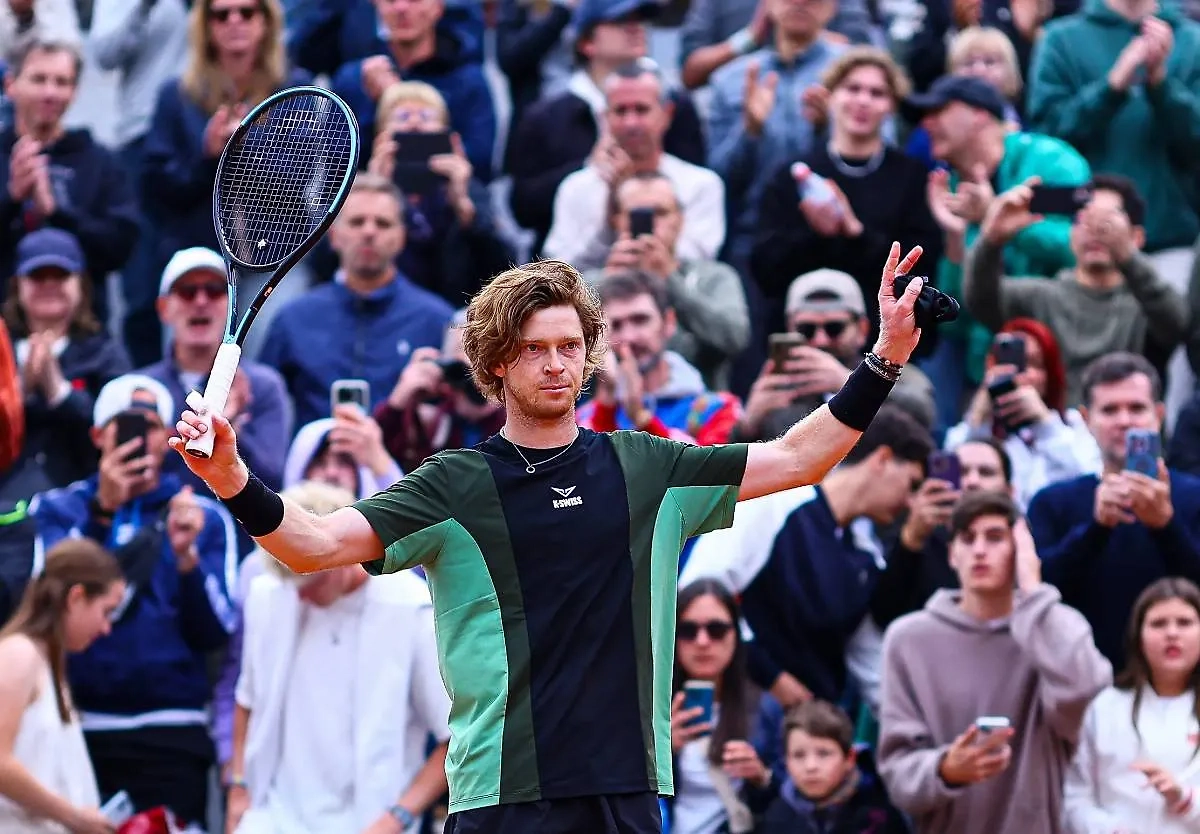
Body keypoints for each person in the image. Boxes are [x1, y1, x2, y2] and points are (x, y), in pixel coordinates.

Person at [170, 243, 928, 834]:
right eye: (536, 347)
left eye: (571, 345)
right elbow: (309, 544)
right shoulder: (454, 484)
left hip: (626, 787)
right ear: (498, 362)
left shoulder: (648, 467)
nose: (558, 363)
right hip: (503, 795)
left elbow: (800, 458)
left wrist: (884, 358)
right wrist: (234, 476)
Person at [877, 491, 1111, 834]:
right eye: (968, 539)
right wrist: (945, 769)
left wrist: (1033, 588)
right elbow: (897, 774)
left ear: (1020, 550)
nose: (980, 550)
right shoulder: (908, 639)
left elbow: (1089, 697)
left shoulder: (1053, 626)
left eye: (995, 537)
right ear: (952, 554)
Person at [0, 538, 126, 834]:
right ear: (76, 598)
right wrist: (73, 817)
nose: (106, 628)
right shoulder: (19, 653)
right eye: (106, 611)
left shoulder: (48, 662)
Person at [1064, 577, 1200, 833]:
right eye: (1158, 624)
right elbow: (1074, 797)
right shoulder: (1105, 707)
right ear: (1138, 636)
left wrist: (1185, 798)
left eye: (1185, 623)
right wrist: (1108, 829)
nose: (1172, 633)